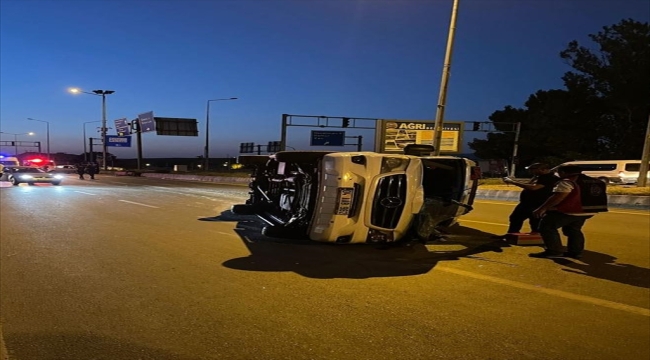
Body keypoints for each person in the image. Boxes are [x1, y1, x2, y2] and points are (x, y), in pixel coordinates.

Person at [530, 165, 595, 259]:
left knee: (547, 226)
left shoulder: (568, 181)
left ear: (563, 172)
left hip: (570, 210)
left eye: (559, 172)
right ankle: (575, 252)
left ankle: (554, 251)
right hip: (588, 211)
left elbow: (559, 196)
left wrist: (542, 208)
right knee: (573, 230)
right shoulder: (593, 180)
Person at [496, 163, 559, 237]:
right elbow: (529, 184)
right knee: (515, 218)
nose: (531, 171)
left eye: (533, 169)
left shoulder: (548, 177)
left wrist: (512, 182)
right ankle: (512, 235)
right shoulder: (539, 177)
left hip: (537, 203)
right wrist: (534, 178)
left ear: (543, 169)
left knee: (534, 221)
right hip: (527, 203)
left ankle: (537, 237)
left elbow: (533, 188)